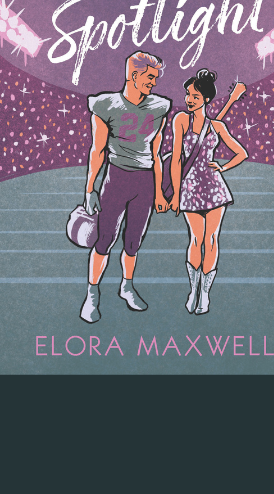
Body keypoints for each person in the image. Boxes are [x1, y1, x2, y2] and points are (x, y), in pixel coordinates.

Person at [79, 51, 171, 323]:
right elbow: (97, 150)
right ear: (133, 75)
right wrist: (90, 189)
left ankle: (126, 286)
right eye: (150, 77)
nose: (154, 83)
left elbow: (156, 153)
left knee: (133, 241)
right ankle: (92, 294)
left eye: (155, 78)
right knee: (104, 239)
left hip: (144, 181)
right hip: (117, 176)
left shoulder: (159, 107)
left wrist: (158, 192)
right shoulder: (106, 104)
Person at [169, 69, 247, 313]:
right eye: (187, 94)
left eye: (193, 95)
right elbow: (175, 159)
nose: (188, 98)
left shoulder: (218, 126)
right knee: (196, 238)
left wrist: (223, 166)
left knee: (212, 239)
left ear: (205, 98)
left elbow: (241, 153)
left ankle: (205, 293)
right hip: (190, 188)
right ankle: (193, 288)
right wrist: (175, 193)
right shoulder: (181, 119)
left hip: (214, 189)